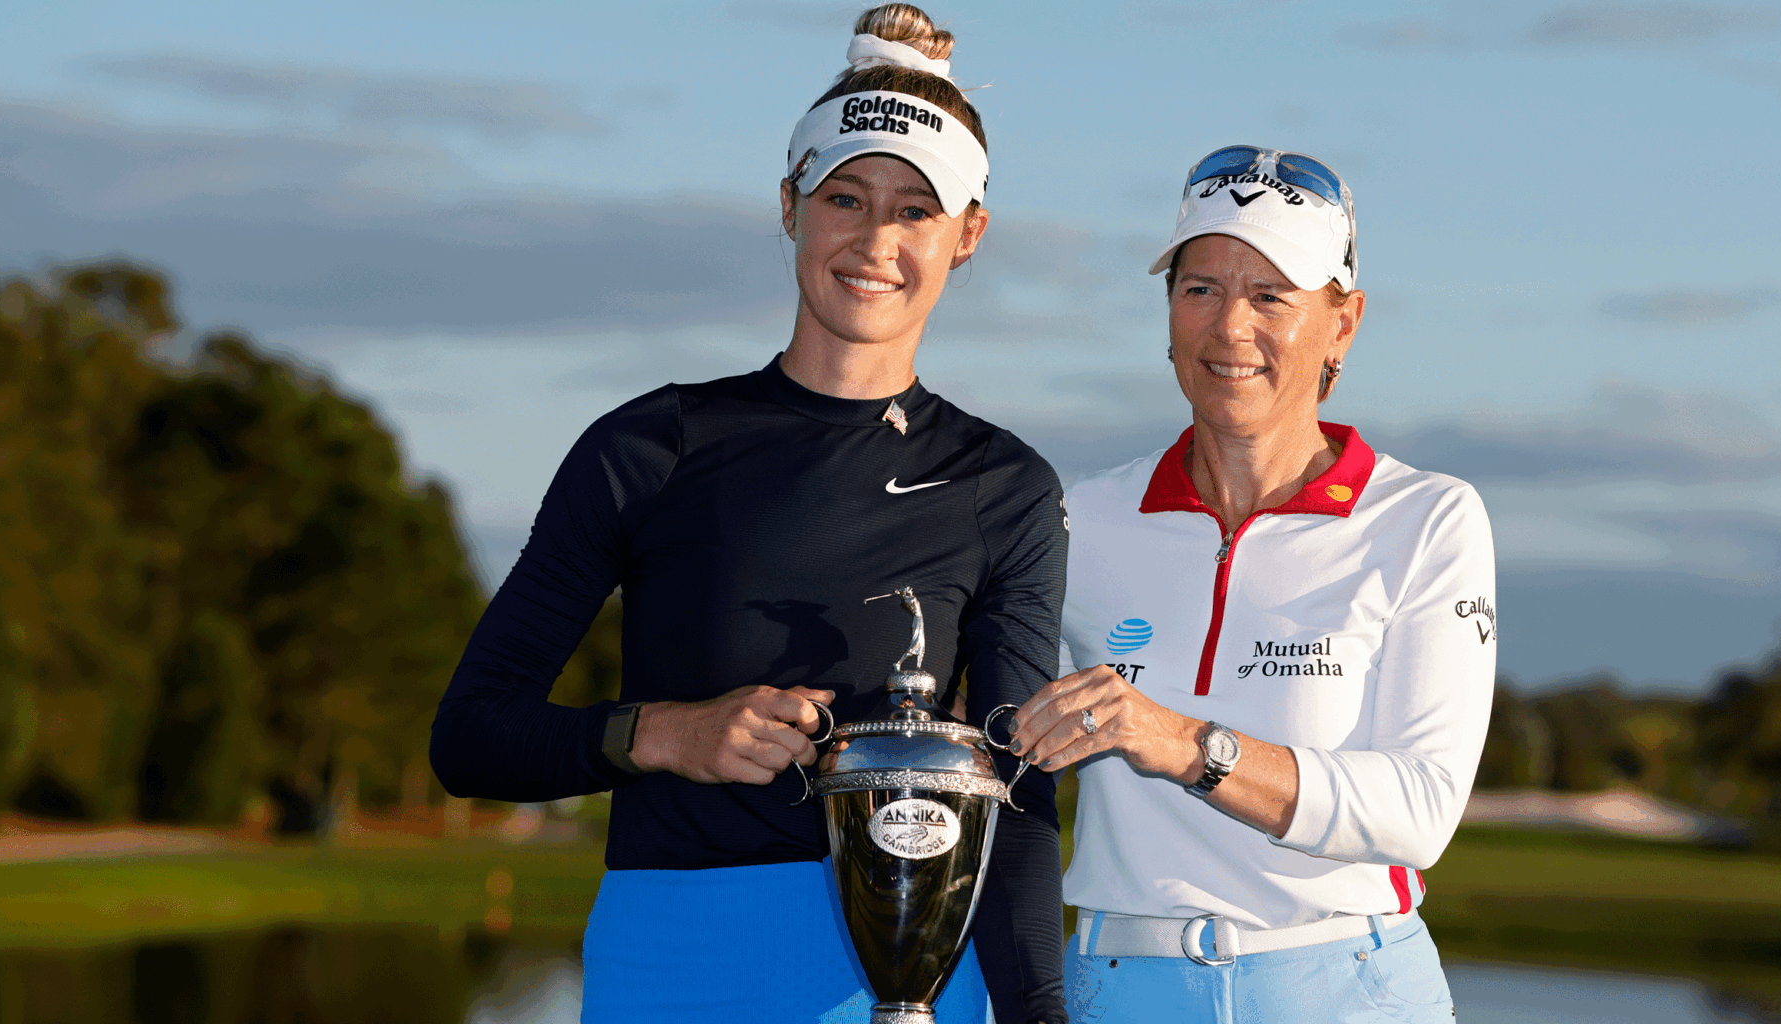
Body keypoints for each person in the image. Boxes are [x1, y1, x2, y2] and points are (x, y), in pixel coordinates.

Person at [428, 7, 1068, 1024]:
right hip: (673, 961)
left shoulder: (1004, 484)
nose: (875, 240)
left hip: (903, 974)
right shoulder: (651, 445)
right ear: (789, 204)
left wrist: (1040, 1013)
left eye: (915, 211)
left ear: (967, 236)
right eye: (845, 197)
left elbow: (1017, 801)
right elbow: (471, 737)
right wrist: (663, 734)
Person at [1008, 145, 1495, 1022]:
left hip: (1348, 985)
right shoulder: (1083, 518)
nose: (1231, 327)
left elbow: (1421, 810)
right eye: (1201, 288)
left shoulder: (1426, 517)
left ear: (1342, 323)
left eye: (1271, 295)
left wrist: (1186, 744)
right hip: (1121, 984)